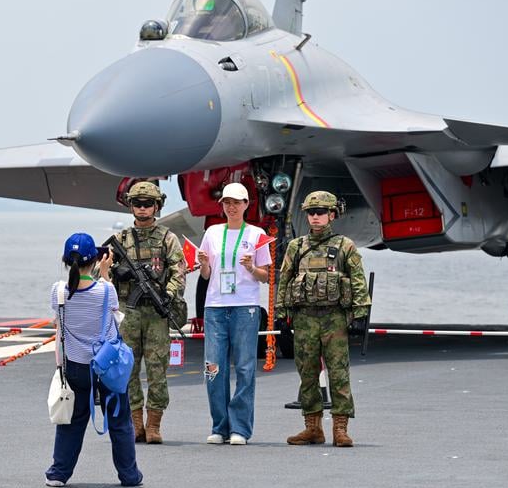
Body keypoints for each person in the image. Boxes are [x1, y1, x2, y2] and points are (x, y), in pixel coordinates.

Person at [45, 233, 143, 488]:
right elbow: (115, 316)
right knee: (120, 421)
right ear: (96, 259)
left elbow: (59, 321)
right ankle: (129, 476)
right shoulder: (106, 289)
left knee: (73, 421)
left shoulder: (58, 291)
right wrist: (106, 271)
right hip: (107, 366)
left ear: (66, 260)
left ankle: (58, 473)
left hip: (76, 366)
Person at [275, 191, 371, 447]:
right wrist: (281, 312)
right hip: (305, 318)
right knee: (307, 373)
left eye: (320, 212)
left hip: (334, 318)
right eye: (311, 212)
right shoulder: (296, 247)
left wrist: (361, 313)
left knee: (339, 374)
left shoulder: (344, 245)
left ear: (332, 215)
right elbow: (284, 280)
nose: (315, 217)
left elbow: (358, 279)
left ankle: (340, 428)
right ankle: (313, 427)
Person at [112, 182, 186, 444]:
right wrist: (116, 271)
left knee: (157, 369)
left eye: (147, 204)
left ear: (157, 206)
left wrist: (167, 294)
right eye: (138, 204)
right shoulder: (121, 240)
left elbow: (179, 271)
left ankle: (153, 424)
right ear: (131, 206)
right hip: (129, 313)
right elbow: (105, 273)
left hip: (156, 314)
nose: (142, 209)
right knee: (128, 370)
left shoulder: (168, 238)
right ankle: (135, 424)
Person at [197, 182, 271, 445]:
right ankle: (219, 426)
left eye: (236, 202)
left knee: (244, 367)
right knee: (213, 367)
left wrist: (251, 267)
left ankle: (240, 428)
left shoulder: (257, 234)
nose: (231, 207)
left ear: (246, 205)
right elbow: (206, 275)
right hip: (215, 306)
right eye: (227, 202)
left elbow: (266, 276)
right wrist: (204, 264)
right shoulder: (212, 232)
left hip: (245, 307)